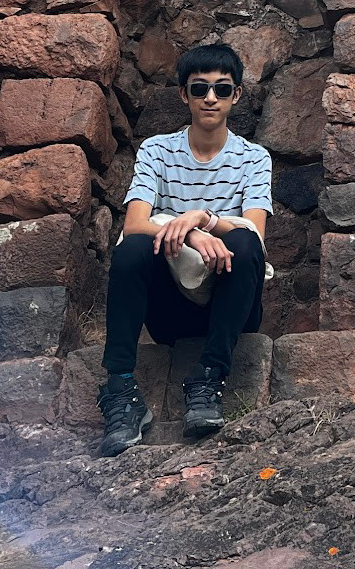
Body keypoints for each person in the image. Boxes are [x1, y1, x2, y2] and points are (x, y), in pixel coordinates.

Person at [97, 42, 272, 456]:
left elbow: (255, 234)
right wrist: (190, 233)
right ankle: (120, 387)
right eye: (199, 88)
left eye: (222, 89)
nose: (210, 98)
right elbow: (135, 223)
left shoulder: (253, 158)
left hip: (231, 308)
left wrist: (203, 219)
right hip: (170, 310)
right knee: (132, 249)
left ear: (236, 95)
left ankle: (209, 376)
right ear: (184, 94)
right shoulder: (157, 150)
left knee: (244, 240)